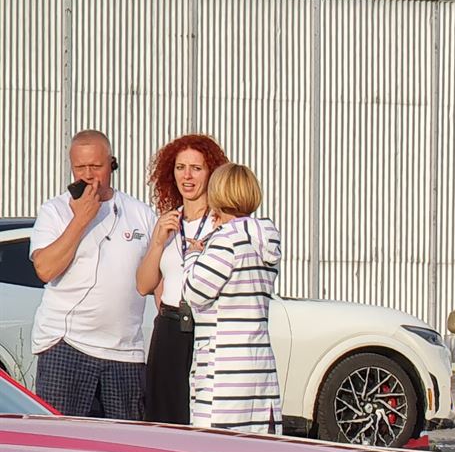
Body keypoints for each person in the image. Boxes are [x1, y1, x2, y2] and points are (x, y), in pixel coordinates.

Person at [27, 129, 158, 419]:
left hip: (125, 352)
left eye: (96, 167)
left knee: (123, 446)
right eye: (80, 167)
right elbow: (45, 269)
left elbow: (156, 278)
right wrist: (81, 220)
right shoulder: (55, 211)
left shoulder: (140, 214)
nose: (88, 175)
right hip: (66, 345)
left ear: (112, 163)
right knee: (61, 443)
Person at [136, 133, 231, 425]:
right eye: (180, 168)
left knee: (204, 417)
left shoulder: (224, 223)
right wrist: (156, 243)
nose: (187, 176)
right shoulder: (168, 221)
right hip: (169, 328)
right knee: (165, 416)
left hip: (207, 327)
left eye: (196, 168)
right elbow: (143, 285)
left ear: (211, 173)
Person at [182, 163, 283, 434]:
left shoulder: (227, 240)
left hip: (224, 374)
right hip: (258, 366)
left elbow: (194, 291)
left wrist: (193, 254)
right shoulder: (265, 239)